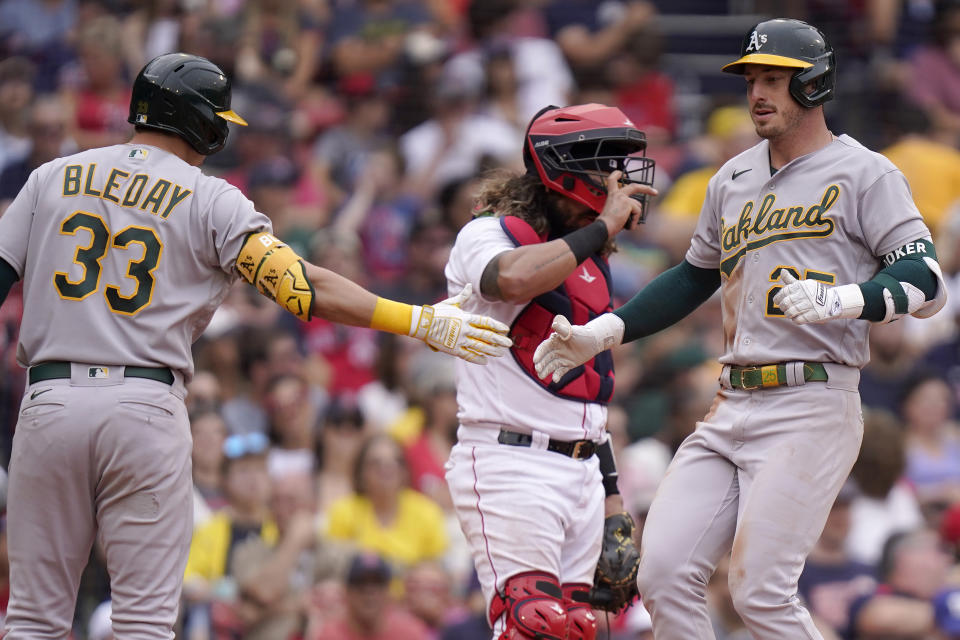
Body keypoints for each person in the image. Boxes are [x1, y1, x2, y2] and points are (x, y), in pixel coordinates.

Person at [0, 52, 511, 640]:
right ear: (196, 121)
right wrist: (418, 321)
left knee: (34, 621)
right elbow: (303, 289)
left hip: (49, 400)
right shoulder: (209, 196)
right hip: (143, 407)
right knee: (142, 625)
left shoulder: (51, 176)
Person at [533, 19, 948, 639]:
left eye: (775, 79)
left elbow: (928, 281)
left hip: (813, 400)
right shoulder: (732, 178)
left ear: (813, 84)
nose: (758, 92)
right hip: (731, 403)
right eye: (753, 78)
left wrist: (845, 300)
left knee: (760, 591)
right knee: (664, 573)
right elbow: (695, 275)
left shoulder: (867, 173)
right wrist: (605, 332)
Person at [443, 102, 657, 640]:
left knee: (580, 628)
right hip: (508, 460)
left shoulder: (593, 263)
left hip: (582, 469)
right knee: (533, 624)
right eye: (606, 166)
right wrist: (604, 225)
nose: (619, 181)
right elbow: (509, 281)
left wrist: (611, 496)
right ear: (563, 168)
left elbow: (590, 395)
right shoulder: (487, 233)